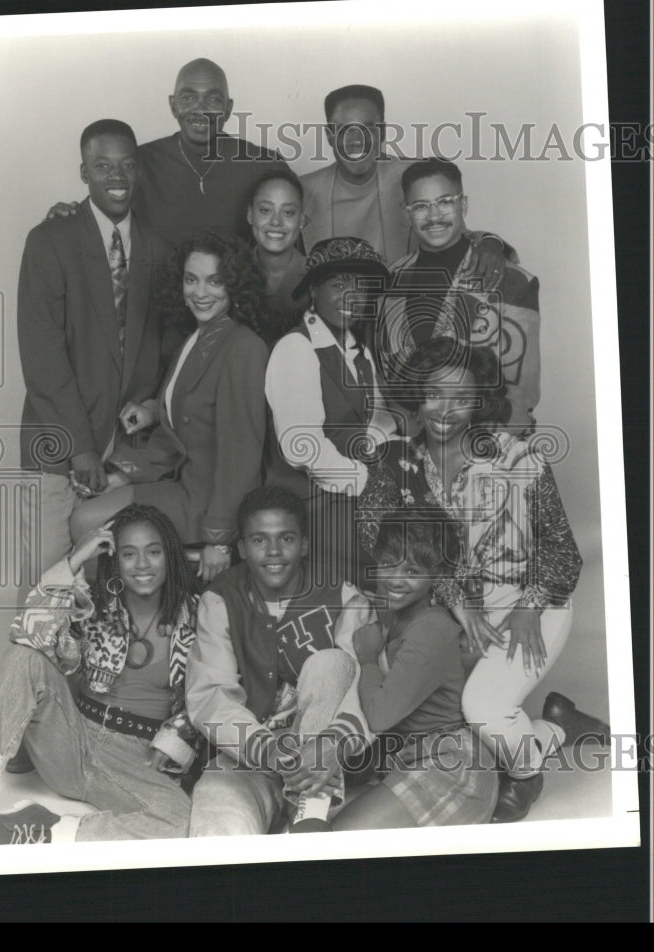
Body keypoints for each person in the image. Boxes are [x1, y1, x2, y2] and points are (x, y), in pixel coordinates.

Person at [357, 337, 610, 823]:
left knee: (482, 709)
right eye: (433, 393)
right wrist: (456, 599)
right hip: (444, 613)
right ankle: (555, 724)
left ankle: (529, 767)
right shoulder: (394, 465)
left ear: (480, 401)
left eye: (461, 397)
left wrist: (528, 606)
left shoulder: (519, 459)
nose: (445, 409)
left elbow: (563, 553)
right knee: (413, 702)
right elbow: (379, 541)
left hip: (531, 602)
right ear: (417, 395)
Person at [0, 504, 201, 844]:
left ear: (170, 556)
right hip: (71, 737)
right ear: (115, 560)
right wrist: (75, 559)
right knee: (26, 655)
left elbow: (206, 692)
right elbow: (28, 631)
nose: (142, 564)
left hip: (136, 756)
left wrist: (175, 740)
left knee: (179, 820)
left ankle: (47, 831)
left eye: (153, 552)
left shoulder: (198, 615)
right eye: (129, 554)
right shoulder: (93, 605)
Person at [69, 231, 271, 584]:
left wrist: (220, 541)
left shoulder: (244, 347)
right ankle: (111, 623)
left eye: (215, 281)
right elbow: (177, 431)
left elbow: (241, 455)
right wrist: (125, 474)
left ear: (234, 285)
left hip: (208, 504)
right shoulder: (196, 338)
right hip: (183, 486)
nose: (200, 292)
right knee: (83, 515)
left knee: (85, 522)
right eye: (191, 280)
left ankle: (105, 620)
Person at [18, 118, 164, 584]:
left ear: (140, 171)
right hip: (58, 446)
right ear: (84, 172)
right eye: (102, 165)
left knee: (103, 588)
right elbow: (42, 358)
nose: (116, 176)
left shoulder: (158, 249)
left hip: (123, 451)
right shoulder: (49, 240)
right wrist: (79, 447)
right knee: (47, 584)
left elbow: (163, 351)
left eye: (126, 165)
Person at [185, 485, 374, 836]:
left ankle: (309, 807)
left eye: (286, 538)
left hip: (327, 763)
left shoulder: (343, 596)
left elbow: (366, 683)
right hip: (252, 754)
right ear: (241, 548)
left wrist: (332, 746)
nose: (273, 552)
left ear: (304, 544)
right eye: (259, 540)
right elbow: (211, 696)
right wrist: (269, 750)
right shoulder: (220, 599)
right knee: (215, 803)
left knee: (331, 663)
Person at [331, 512, 498, 831]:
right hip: (407, 761)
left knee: (338, 840)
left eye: (412, 571)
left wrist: (367, 659)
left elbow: (379, 717)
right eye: (389, 563)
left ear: (436, 577)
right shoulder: (393, 613)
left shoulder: (431, 629)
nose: (395, 579)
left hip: (452, 769)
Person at [265, 236, 397, 588]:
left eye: (361, 286)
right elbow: (301, 447)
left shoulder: (358, 352)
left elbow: (377, 423)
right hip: (313, 501)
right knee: (397, 561)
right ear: (313, 291)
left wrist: (400, 465)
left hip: (351, 489)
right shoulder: (296, 348)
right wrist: (369, 483)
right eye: (338, 285)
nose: (351, 296)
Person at [48, 58, 289, 247]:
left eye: (213, 99)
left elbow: (293, 240)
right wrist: (66, 219)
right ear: (173, 105)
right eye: (188, 97)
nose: (200, 109)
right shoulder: (138, 162)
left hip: (238, 304)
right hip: (153, 304)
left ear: (228, 109)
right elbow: (98, 215)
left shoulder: (263, 164)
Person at [378, 157, 541, 432]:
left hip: (486, 450)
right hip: (410, 454)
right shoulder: (390, 280)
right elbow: (387, 384)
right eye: (420, 206)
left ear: (462, 205)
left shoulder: (512, 282)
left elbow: (520, 395)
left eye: (445, 202)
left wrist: (473, 459)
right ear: (407, 214)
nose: (433, 216)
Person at [300, 83, 510, 275]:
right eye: (344, 130)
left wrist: (490, 242)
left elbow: (456, 232)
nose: (357, 140)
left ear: (382, 132)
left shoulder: (414, 177)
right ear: (329, 135)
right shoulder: (303, 190)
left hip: (402, 308)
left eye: (369, 128)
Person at [247, 167, 308, 332]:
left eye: (288, 212)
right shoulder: (231, 272)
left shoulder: (316, 278)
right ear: (250, 215)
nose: (276, 221)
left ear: (301, 220)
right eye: (266, 210)